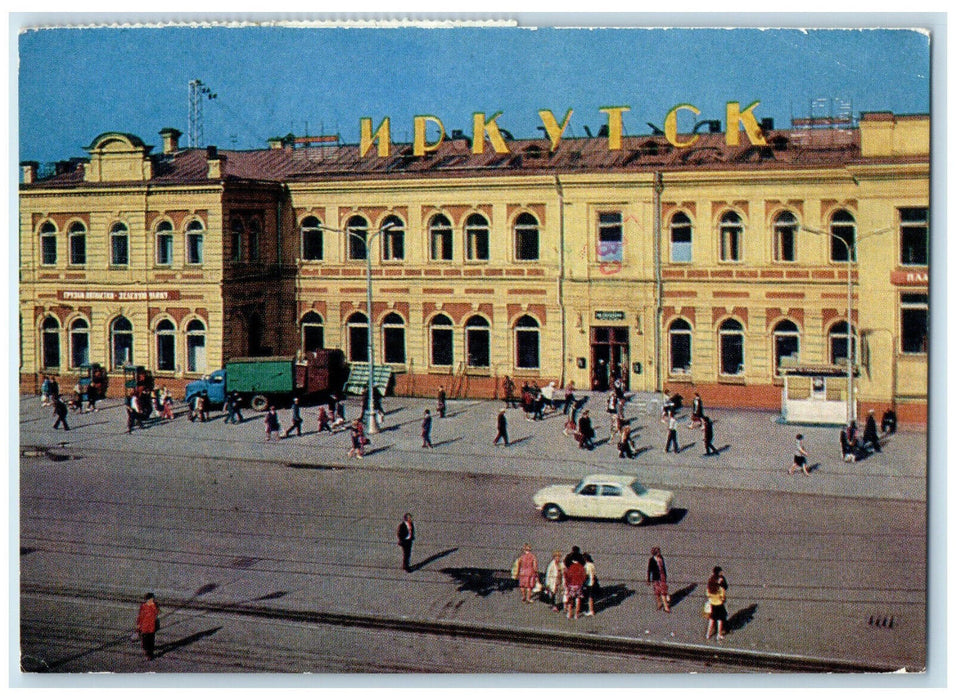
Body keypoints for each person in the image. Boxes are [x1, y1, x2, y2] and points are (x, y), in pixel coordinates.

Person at [705, 567, 729, 640]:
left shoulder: (710, 581)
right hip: (719, 603)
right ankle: (719, 634)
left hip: (712, 603)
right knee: (720, 619)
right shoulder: (720, 585)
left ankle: (708, 634)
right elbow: (723, 595)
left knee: (712, 619)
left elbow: (707, 593)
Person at [136, 592, 160, 660]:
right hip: (150, 627)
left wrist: (138, 626)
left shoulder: (144, 606)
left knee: (146, 641)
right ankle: (149, 654)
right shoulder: (153, 606)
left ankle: (148, 653)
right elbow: (157, 612)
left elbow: (140, 617)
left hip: (146, 627)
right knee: (150, 641)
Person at [647, 546, 671, 612]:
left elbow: (664, 567)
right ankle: (659, 603)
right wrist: (648, 580)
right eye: (658, 552)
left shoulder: (661, 558)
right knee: (657, 593)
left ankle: (666, 607)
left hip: (662, 577)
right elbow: (649, 570)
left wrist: (665, 575)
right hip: (656, 579)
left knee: (663, 592)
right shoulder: (651, 560)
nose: (659, 554)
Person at [582, 552, 598, 616]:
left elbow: (586, 575)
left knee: (589, 597)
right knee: (591, 597)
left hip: (589, 583)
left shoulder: (587, 566)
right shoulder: (592, 565)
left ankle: (591, 610)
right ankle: (591, 610)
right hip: (593, 582)